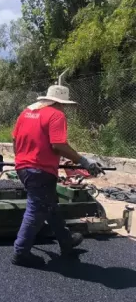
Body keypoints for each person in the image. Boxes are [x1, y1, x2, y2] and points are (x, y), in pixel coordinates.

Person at [11, 85, 103, 268]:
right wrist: (84, 161)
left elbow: (15, 140)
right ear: (59, 103)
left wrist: (23, 160)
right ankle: (20, 252)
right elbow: (58, 144)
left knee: (49, 205)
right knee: (36, 209)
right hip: (40, 171)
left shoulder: (27, 112)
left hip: (23, 167)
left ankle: (66, 241)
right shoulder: (56, 115)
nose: (64, 109)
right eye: (64, 105)